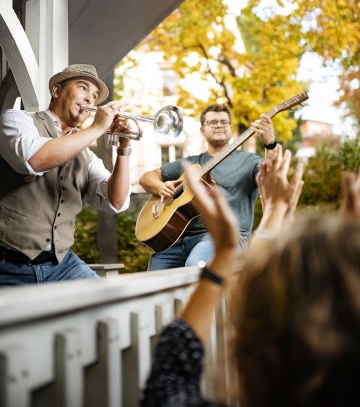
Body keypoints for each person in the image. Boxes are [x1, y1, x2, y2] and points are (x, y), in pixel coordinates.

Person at [141, 148, 360, 407]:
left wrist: (224, 253)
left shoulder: (175, 399)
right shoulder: (190, 161)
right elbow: (147, 178)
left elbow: (170, 369)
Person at [0, 63, 132, 286]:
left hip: (62, 265)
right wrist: (98, 129)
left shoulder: (86, 155)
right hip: (8, 264)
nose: (90, 99)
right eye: (83, 88)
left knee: (109, 305)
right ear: (56, 91)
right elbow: (34, 159)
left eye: (94, 95)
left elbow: (116, 202)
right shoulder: (16, 120)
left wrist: (124, 147)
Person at [139, 103, 277, 269]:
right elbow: (146, 178)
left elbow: (272, 181)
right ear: (202, 130)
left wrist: (271, 145)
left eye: (224, 122)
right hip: (176, 239)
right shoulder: (190, 163)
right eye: (212, 122)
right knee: (153, 280)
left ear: (231, 128)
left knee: (195, 266)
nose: (219, 125)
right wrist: (161, 188)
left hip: (224, 237)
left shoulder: (249, 161)